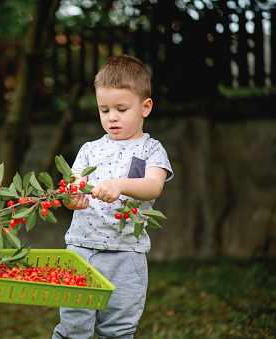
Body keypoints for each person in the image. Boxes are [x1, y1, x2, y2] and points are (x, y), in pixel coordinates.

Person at [53, 55, 173, 339]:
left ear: (145, 107)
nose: (112, 117)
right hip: (81, 251)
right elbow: (71, 187)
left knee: (118, 328)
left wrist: (120, 184)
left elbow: (153, 186)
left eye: (121, 108)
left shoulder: (151, 150)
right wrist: (71, 198)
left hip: (126, 254)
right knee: (73, 327)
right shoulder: (89, 150)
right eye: (104, 110)